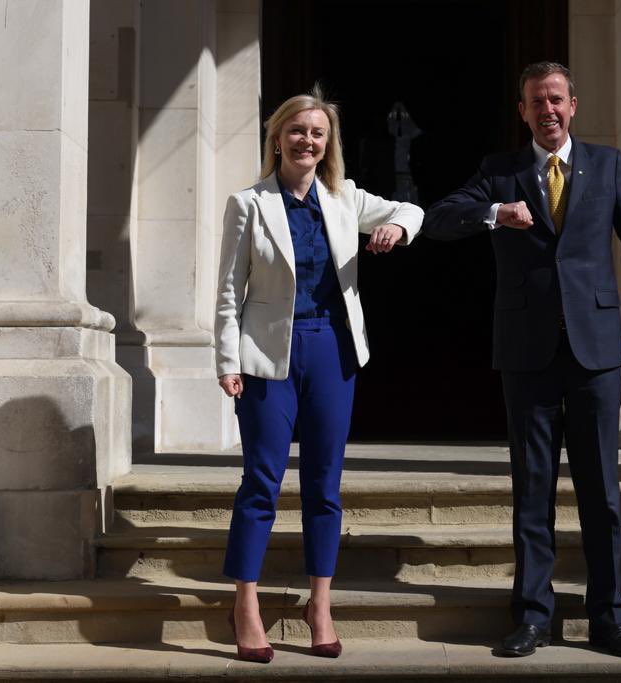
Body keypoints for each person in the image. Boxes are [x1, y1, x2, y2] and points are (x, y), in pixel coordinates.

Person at [422, 62, 621, 659]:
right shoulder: (500, 172)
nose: (549, 110)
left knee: (602, 494)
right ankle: (533, 616)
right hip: (527, 353)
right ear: (523, 111)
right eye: (537, 102)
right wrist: (494, 213)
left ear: (573, 105)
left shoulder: (607, 164)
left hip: (594, 349)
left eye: (557, 99)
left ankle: (609, 618)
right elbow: (437, 220)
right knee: (532, 490)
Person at [214, 86, 423, 663]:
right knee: (261, 482)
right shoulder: (248, 204)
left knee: (324, 487)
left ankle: (319, 605)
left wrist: (396, 231)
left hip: (332, 350)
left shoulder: (344, 198)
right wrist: (227, 362)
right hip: (267, 356)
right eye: (298, 131)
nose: (307, 140)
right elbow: (231, 290)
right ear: (277, 137)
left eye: (318, 133)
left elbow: (412, 209)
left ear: (327, 144)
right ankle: (246, 605)